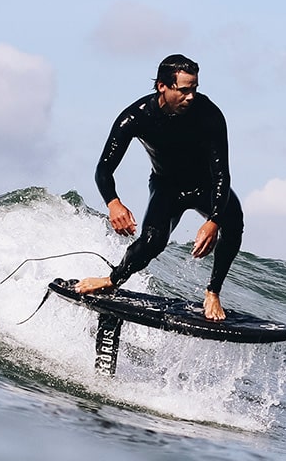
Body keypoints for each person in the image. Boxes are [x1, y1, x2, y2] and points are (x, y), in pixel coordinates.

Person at [75, 54, 244, 320]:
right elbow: (104, 168)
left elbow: (222, 173)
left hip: (207, 186)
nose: (191, 96)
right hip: (167, 186)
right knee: (152, 241)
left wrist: (214, 220)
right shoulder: (136, 117)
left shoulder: (208, 114)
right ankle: (113, 279)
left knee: (233, 223)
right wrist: (113, 202)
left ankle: (212, 292)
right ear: (162, 86)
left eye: (195, 89)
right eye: (184, 90)